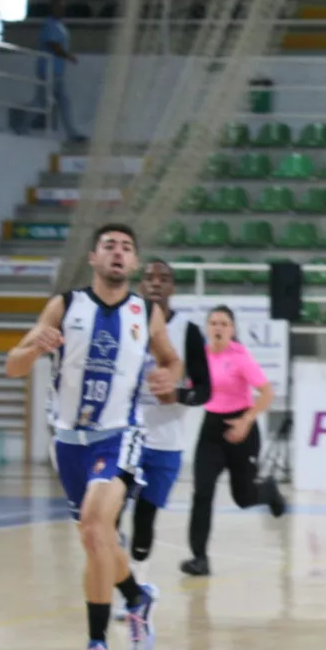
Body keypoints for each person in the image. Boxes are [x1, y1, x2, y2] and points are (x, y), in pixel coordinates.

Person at [4, 223, 182, 650]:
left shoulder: (147, 312)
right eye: (109, 246)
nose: (118, 253)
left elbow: (171, 361)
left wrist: (169, 377)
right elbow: (12, 365)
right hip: (68, 441)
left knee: (95, 524)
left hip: (118, 434)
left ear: (135, 263)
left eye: (126, 247)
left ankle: (97, 647)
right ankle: (136, 597)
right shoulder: (65, 305)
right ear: (93, 258)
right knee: (95, 539)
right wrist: (34, 348)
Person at [112, 260, 210, 616]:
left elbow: (206, 391)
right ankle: (121, 578)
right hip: (123, 435)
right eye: (149, 278)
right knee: (111, 515)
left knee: (145, 519)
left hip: (166, 442)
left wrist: (179, 396)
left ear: (172, 288)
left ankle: (136, 588)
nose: (155, 283)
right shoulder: (123, 324)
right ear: (140, 285)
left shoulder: (188, 332)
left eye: (163, 279)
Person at [180, 305, 285, 577]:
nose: (218, 327)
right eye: (213, 322)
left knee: (244, 497)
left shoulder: (240, 357)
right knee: (202, 492)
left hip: (242, 429)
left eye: (224, 323)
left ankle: (269, 491)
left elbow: (266, 393)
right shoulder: (199, 358)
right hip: (211, 430)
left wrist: (245, 421)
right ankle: (199, 558)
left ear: (233, 329)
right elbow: (193, 391)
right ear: (207, 327)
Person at [33, 0, 84, 141]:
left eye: (63, 7)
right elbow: (53, 44)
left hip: (57, 71)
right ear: (53, 8)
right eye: (59, 7)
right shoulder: (49, 25)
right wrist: (68, 56)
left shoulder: (59, 25)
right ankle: (21, 125)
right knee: (43, 102)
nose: (62, 10)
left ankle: (72, 133)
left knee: (58, 101)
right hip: (48, 71)